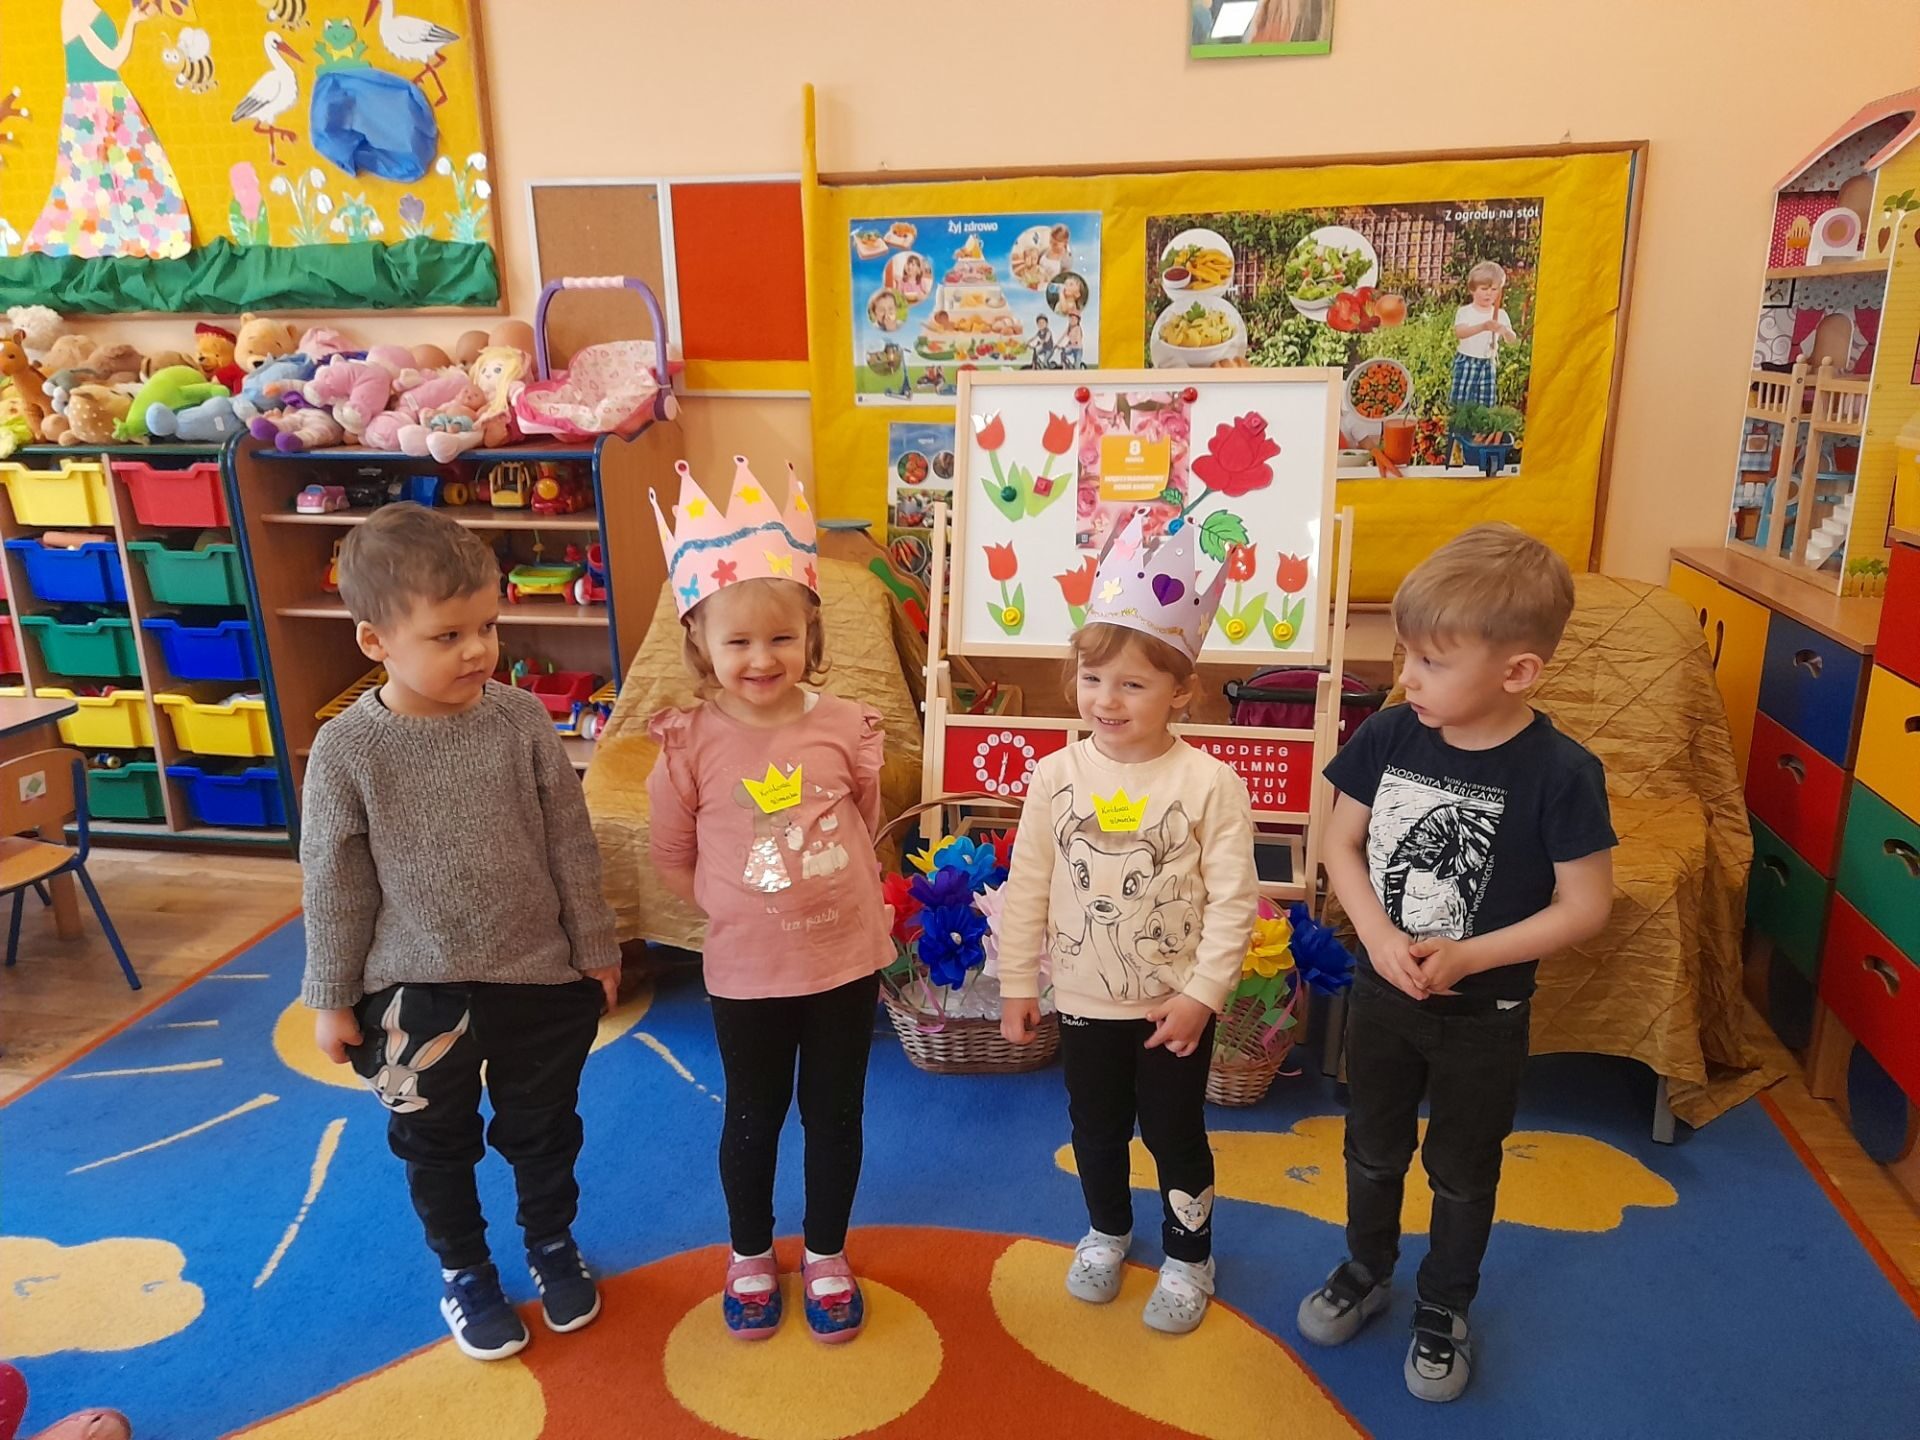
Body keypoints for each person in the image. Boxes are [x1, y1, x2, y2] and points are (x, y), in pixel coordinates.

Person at [1295, 523, 1616, 1402]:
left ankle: (1444, 1305)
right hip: (1382, 998)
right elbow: (1339, 843)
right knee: (1371, 1148)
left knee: (1464, 1172)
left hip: (1485, 1020)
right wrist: (1377, 937)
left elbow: (1586, 905)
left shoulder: (1563, 773)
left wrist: (1470, 956)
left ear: (1518, 672)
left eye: (1432, 662)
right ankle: (1367, 1267)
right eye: (1408, 654)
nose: (1407, 676)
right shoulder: (1390, 734)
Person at [300, 504, 622, 1363]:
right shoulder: (346, 749)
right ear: (375, 641)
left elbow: (570, 841)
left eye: (487, 626)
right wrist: (330, 998)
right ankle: (466, 1269)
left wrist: (596, 945)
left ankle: (551, 1241)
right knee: (434, 1142)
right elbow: (333, 882)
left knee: (545, 1128)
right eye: (448, 635)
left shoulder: (520, 720)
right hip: (413, 990)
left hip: (536, 975)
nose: (478, 650)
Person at [646, 457, 891, 1344]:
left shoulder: (845, 726)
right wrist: (739, 910)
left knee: (836, 1115)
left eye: (781, 638)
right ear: (701, 643)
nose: (761, 659)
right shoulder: (689, 744)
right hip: (747, 973)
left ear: (810, 636)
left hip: (844, 963)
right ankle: (750, 1253)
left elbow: (863, 823)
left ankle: (825, 1252)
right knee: (753, 1116)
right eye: (739, 642)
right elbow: (672, 857)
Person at [998, 509, 1258, 1336]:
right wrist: (1017, 983)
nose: (1106, 700)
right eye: (1093, 678)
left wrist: (1203, 995)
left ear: (1181, 690)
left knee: (1176, 1134)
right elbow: (1028, 883)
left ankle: (1189, 1254)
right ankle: (1107, 1229)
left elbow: (1234, 900)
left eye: (1133, 684)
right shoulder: (1054, 775)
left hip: (1171, 1008)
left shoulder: (1210, 784)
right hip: (1083, 1002)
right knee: (1095, 1129)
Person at [28, 0, 191, 258]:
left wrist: (134, 21)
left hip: (109, 95)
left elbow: (114, 57)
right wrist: (132, 23)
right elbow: (111, 58)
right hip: (90, 101)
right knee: (90, 177)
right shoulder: (73, 7)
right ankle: (98, 237)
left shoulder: (89, 5)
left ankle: (143, 232)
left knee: (134, 168)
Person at [1449, 261, 1517, 412]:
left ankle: (1481, 425)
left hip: (1488, 363)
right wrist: (1483, 327)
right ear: (1472, 290)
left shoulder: (1500, 314)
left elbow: (1512, 340)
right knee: (1461, 402)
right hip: (1467, 361)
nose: (1489, 293)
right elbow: (1460, 333)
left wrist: (1504, 331)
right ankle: (1459, 425)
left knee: (1486, 404)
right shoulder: (1466, 312)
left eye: (1494, 289)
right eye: (1484, 289)